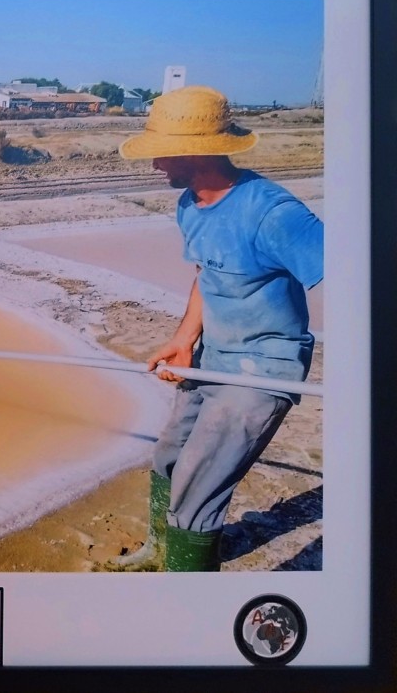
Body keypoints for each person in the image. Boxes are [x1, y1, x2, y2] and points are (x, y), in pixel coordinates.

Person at [112, 85, 323, 572]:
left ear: (197, 151)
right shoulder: (190, 204)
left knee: (199, 481)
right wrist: (183, 340)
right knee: (169, 456)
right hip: (213, 355)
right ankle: (159, 552)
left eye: (163, 153)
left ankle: (186, 586)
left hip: (264, 368)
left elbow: (360, 277)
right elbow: (207, 276)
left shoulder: (273, 214)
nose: (154, 164)